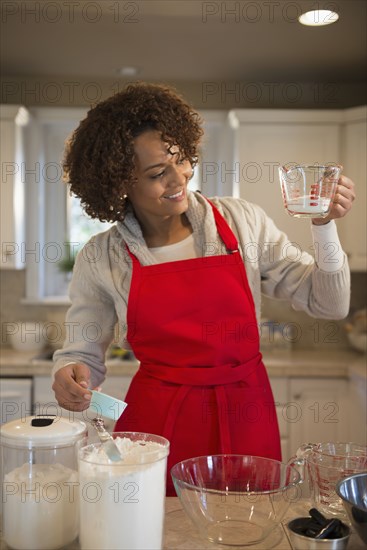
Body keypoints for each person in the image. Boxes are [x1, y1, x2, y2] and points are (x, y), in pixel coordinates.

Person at [52, 82, 355, 495]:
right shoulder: (102, 256)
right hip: (157, 426)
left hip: (246, 410)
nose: (179, 180)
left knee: (249, 526)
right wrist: (69, 375)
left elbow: (331, 304)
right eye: (158, 173)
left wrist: (323, 225)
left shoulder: (242, 221)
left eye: (182, 161)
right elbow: (81, 352)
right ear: (120, 182)